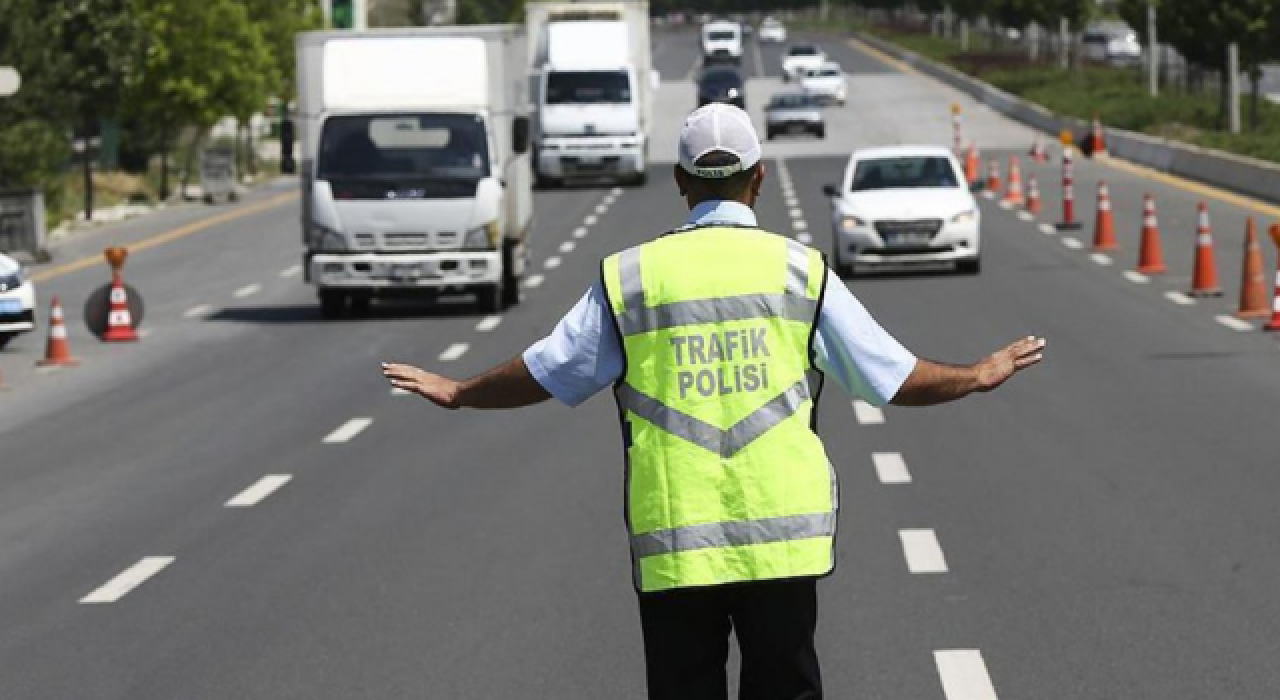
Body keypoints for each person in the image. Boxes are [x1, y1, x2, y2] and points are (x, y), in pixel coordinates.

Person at [382, 103, 1046, 700]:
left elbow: (550, 370)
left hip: (676, 542)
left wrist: (460, 391)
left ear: (680, 182)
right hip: (783, 542)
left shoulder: (633, 277)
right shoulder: (799, 271)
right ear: (757, 180)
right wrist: (977, 374)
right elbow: (891, 378)